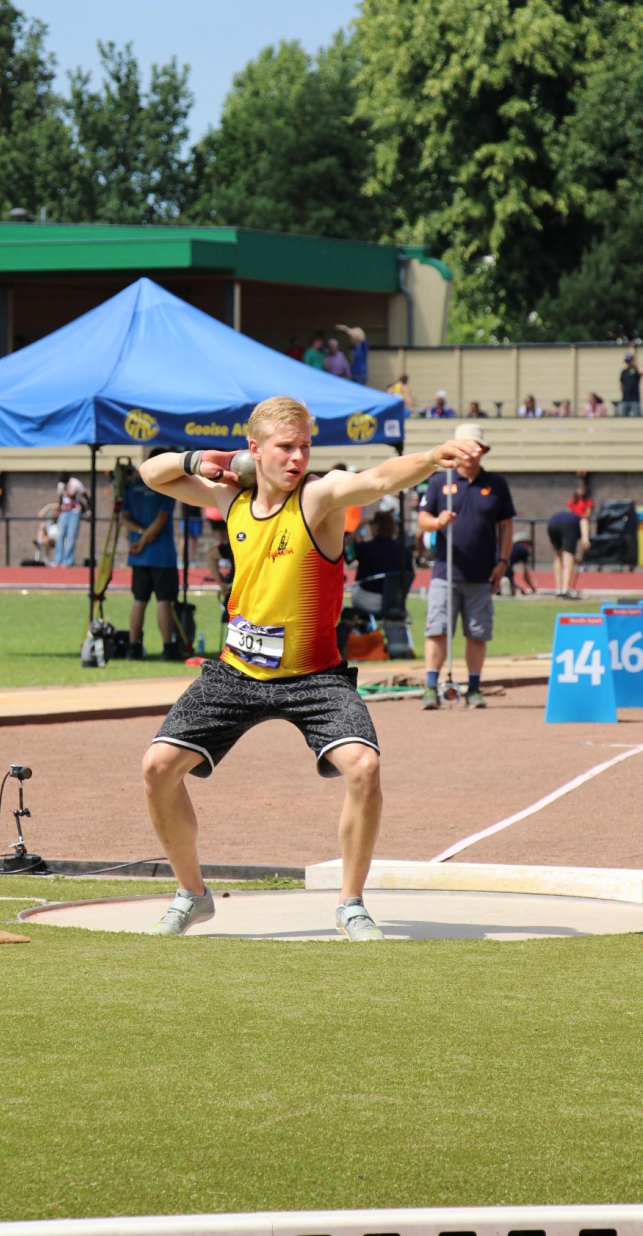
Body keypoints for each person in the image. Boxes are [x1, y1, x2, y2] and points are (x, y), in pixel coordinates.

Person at [138, 396, 477, 940]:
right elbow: (151, 473)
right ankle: (192, 894)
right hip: (236, 671)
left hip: (314, 675)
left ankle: (350, 904)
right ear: (254, 450)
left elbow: (378, 478)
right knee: (158, 768)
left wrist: (434, 457)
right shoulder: (231, 497)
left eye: (305, 447)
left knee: (363, 768)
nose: (298, 458)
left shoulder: (318, 498)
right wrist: (197, 459)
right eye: (285, 447)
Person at [418, 421, 515, 709]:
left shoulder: (496, 484)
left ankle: (474, 687)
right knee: (437, 629)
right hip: (446, 572)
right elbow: (423, 519)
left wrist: (503, 561)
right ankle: (431, 686)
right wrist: (438, 522)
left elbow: (506, 526)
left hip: (481, 573)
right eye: (465, 447)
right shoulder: (439, 482)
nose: (470, 453)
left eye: (476, 448)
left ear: (483, 451)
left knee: (477, 632)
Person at [120, 452, 179, 660]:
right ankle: (168, 647)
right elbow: (161, 519)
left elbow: (123, 517)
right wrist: (145, 539)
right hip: (162, 555)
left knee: (139, 600)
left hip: (140, 556)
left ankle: (133, 647)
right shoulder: (166, 488)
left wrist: (139, 536)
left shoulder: (133, 487)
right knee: (164, 601)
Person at [350, 509, 413, 616]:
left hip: (368, 600)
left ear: (376, 526)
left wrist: (358, 529)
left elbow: (344, 552)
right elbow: (409, 575)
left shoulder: (366, 548)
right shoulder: (404, 551)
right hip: (395, 602)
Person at [547, 501, 590, 598]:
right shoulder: (580, 519)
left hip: (552, 523)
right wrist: (585, 538)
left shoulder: (569, 516)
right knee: (568, 555)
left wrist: (577, 560)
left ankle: (558, 589)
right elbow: (584, 521)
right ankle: (566, 589)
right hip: (567, 525)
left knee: (558, 554)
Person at [53, 474, 88, 567]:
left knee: (71, 537)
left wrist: (88, 510)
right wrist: (58, 510)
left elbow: (85, 495)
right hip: (64, 512)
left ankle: (67, 561)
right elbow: (60, 498)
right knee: (60, 536)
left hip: (75, 512)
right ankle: (58, 560)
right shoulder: (60, 485)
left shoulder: (75, 483)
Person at [619, 351, 643, 416]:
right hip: (625, 399)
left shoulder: (636, 371)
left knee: (637, 416)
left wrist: (636, 364)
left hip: (634, 399)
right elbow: (621, 383)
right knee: (623, 416)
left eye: (630, 361)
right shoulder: (624, 372)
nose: (629, 363)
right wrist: (622, 391)